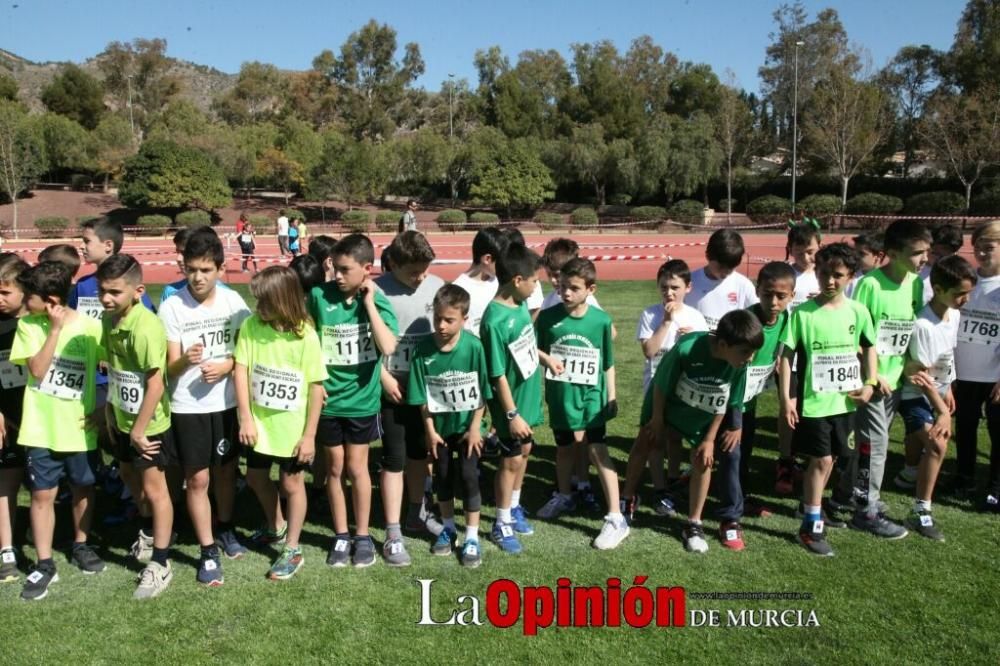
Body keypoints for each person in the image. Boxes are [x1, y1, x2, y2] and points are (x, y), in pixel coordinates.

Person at [159, 230, 252, 585]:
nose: (197, 277)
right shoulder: (171, 307)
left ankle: (226, 528)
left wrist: (227, 366)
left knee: (226, 472)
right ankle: (207, 549)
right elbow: (169, 368)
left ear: (220, 269)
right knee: (197, 479)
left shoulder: (235, 305)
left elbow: (246, 355)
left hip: (227, 404)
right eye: (191, 269)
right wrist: (185, 360)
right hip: (187, 408)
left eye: (205, 270)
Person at [12, 262, 106, 600]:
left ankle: (81, 544)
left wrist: (103, 406)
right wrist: (53, 331)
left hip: (80, 429)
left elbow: (113, 363)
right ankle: (45, 561)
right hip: (40, 429)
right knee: (42, 495)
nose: (24, 300)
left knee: (83, 487)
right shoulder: (28, 326)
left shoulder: (90, 328)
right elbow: (36, 370)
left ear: (51, 300)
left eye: (30, 295)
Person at [779, 243, 877, 556]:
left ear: (851, 277)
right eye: (824, 273)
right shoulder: (802, 313)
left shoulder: (858, 312)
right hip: (814, 403)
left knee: (835, 459)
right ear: (816, 272)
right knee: (820, 460)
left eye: (838, 275)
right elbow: (786, 357)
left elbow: (869, 346)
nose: (830, 280)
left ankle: (811, 505)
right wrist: (786, 398)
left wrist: (871, 382)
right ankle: (811, 526)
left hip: (846, 402)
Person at [308, 233, 398, 568]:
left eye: (346, 270)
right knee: (334, 468)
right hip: (330, 401)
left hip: (362, 402)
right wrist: (315, 382)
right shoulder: (318, 296)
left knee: (358, 468)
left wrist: (370, 303)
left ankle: (362, 535)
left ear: (367, 268)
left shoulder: (377, 300)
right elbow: (305, 339)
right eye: (335, 269)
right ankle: (341, 534)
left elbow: (388, 347)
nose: (338, 276)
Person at [644, 309, 763, 553]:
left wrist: (710, 439)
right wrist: (657, 419)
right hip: (673, 406)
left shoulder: (739, 363)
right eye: (745, 352)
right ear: (722, 344)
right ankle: (628, 503)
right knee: (647, 444)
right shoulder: (687, 348)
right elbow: (662, 385)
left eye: (752, 353)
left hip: (706, 415)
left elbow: (726, 400)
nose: (750, 358)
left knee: (703, 460)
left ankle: (694, 523)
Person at [235, 267, 326, 580]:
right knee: (255, 478)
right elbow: (240, 370)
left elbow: (316, 387)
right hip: (259, 426)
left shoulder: (306, 335)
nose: (258, 306)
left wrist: (309, 435)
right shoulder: (250, 326)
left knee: (291, 484)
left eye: (265, 301)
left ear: (283, 299)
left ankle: (292, 548)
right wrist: (245, 416)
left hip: (292, 429)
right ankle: (276, 525)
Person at [841, 220, 930, 538]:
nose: (924, 259)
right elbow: (858, 337)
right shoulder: (870, 285)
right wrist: (872, 376)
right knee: (874, 446)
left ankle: (848, 496)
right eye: (917, 253)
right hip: (874, 382)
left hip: (895, 381)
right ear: (892, 252)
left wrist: (908, 366)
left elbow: (909, 330)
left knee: (870, 443)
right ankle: (865, 511)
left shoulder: (915, 284)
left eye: (926, 252)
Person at [97, 254, 176, 599]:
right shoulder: (108, 318)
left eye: (114, 292)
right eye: (103, 291)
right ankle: (148, 532)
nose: (106, 298)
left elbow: (155, 384)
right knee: (132, 480)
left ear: (138, 291)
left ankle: (160, 563)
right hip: (123, 420)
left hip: (148, 425)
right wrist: (113, 414)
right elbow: (116, 370)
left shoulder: (145, 327)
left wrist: (140, 430)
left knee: (155, 490)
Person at [535, 258, 628, 550]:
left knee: (597, 451)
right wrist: (546, 358)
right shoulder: (548, 318)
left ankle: (615, 517)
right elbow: (532, 348)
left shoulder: (600, 321)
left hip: (592, 399)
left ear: (590, 289)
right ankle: (564, 495)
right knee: (563, 449)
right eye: (562, 286)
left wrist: (611, 395)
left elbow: (608, 364)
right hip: (561, 397)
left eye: (574, 288)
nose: (566, 293)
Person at [374, 231, 446, 566]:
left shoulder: (436, 288)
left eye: (425, 270)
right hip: (392, 391)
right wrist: (383, 376)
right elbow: (365, 342)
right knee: (394, 460)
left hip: (425, 393)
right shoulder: (376, 290)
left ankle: (416, 512)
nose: (421, 278)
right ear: (394, 264)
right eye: (413, 272)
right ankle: (392, 532)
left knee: (420, 455)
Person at [408, 284, 492, 567]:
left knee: (468, 476)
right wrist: (430, 431)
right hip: (439, 430)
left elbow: (482, 392)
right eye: (437, 319)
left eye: (449, 320)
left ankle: (471, 537)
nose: (441, 326)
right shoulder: (423, 351)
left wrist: (475, 428)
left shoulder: (474, 347)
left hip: (468, 427)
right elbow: (421, 397)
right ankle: (447, 528)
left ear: (464, 319)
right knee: (442, 477)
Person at [715, 261, 796, 541]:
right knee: (733, 454)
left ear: (791, 296)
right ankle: (729, 518)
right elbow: (734, 373)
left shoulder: (787, 320)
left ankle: (740, 497)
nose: (773, 302)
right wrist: (734, 419)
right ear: (757, 290)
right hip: (730, 400)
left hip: (750, 400)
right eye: (767, 294)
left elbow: (782, 352)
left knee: (744, 453)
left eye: (780, 296)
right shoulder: (745, 321)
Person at [621, 259, 707, 520]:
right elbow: (649, 350)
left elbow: (700, 358)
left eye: (674, 287)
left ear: (688, 288)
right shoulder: (650, 314)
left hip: (683, 390)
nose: (669, 293)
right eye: (664, 287)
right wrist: (667, 322)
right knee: (654, 438)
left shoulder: (696, 317)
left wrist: (690, 341)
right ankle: (659, 489)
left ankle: (673, 480)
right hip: (655, 388)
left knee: (675, 437)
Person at [899, 255, 976, 539]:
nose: (965, 299)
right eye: (960, 293)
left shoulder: (954, 315)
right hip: (915, 395)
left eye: (969, 293)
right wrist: (942, 409)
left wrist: (950, 389)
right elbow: (920, 377)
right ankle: (920, 512)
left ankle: (908, 473)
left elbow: (947, 356)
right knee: (937, 445)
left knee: (919, 440)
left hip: (938, 392)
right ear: (939, 289)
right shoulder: (922, 325)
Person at [480, 242, 543, 554]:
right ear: (517, 280)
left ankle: (514, 507)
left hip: (529, 396)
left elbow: (523, 343)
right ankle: (501, 522)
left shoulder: (519, 305)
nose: (537, 286)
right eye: (534, 280)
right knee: (511, 459)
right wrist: (510, 414)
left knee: (526, 449)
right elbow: (496, 374)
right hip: (511, 405)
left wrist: (544, 358)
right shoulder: (493, 320)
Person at [952, 220, 1000, 508]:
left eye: (990, 247)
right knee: (965, 428)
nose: (982, 253)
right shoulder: (966, 280)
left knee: (998, 434)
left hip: (995, 376)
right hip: (965, 372)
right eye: (978, 248)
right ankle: (963, 477)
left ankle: (995, 486)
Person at [774, 220, 822, 496]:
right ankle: (785, 460)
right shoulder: (785, 275)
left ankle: (813, 458)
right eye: (800, 251)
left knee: (813, 409)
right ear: (790, 249)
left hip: (819, 355)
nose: (807, 257)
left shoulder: (826, 275)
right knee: (787, 407)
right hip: (789, 355)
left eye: (812, 251)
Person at [0, 254, 30, 584]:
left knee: (45, 487)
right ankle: (7, 548)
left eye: (5, 292)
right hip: (7, 418)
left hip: (42, 418)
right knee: (6, 481)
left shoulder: (39, 323)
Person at [685, 228, 758, 331]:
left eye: (731, 268)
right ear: (707, 256)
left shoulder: (743, 285)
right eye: (720, 267)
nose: (725, 273)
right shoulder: (689, 281)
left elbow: (755, 320)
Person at [451, 227, 510, 334]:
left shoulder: (498, 280)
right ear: (487, 259)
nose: (504, 266)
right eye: (501, 262)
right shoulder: (458, 290)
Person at [919, 224, 964, 306]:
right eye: (934, 252)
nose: (937, 255)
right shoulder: (914, 269)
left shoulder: (959, 273)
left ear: (954, 253)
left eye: (945, 249)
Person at [846, 233, 884, 298]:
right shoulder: (850, 279)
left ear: (879, 256)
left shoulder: (887, 280)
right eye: (855, 252)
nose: (856, 256)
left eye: (861, 253)